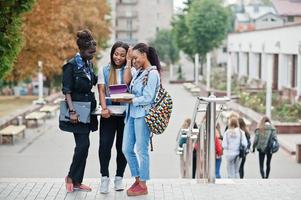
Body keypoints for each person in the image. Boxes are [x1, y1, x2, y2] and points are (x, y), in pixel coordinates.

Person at [120, 43, 161, 196]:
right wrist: (129, 60)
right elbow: (126, 82)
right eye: (133, 58)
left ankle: (143, 184)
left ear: (145, 55)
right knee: (126, 149)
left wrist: (132, 100)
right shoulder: (139, 72)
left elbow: (149, 97)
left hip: (143, 115)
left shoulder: (152, 74)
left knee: (141, 150)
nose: (134, 60)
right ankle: (138, 179)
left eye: (136, 57)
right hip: (131, 114)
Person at [60, 29, 98, 192]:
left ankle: (76, 181)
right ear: (82, 50)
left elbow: (94, 81)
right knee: (83, 145)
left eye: (94, 52)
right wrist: (72, 111)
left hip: (88, 110)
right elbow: (67, 90)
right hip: (77, 111)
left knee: (84, 146)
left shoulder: (88, 64)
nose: (92, 55)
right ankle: (70, 177)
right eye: (90, 52)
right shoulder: (71, 66)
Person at [97, 41, 129, 193]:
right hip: (108, 114)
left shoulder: (130, 70)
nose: (118, 57)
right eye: (116, 54)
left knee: (122, 148)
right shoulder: (104, 69)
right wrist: (104, 108)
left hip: (125, 115)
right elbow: (102, 91)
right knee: (104, 146)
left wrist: (129, 64)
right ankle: (104, 178)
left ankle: (119, 178)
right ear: (112, 53)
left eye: (122, 55)